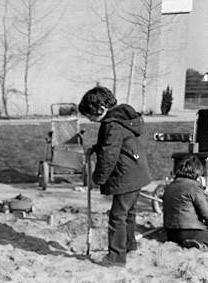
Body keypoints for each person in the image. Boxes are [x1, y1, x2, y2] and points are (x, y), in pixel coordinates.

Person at [78, 86, 151, 267]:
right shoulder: (120, 119)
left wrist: (98, 178)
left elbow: (109, 155)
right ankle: (129, 246)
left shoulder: (112, 125)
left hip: (126, 175)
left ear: (100, 109)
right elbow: (114, 144)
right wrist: (96, 148)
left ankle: (116, 257)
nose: (89, 119)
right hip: (137, 172)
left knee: (117, 215)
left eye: (90, 116)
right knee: (129, 212)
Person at [162, 154, 208, 248]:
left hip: (170, 232)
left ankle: (186, 241)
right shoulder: (193, 187)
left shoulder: (169, 186)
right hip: (191, 230)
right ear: (197, 171)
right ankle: (197, 241)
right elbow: (205, 213)